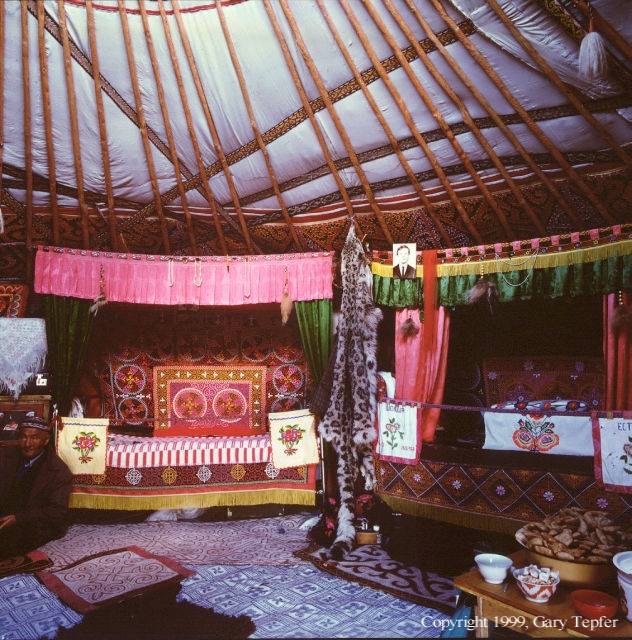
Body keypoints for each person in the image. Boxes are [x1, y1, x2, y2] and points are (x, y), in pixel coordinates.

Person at [0, 416, 73, 559]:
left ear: (45, 441)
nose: (27, 444)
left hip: (32, 523)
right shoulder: (6, 455)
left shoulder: (59, 471)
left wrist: (18, 518)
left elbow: (57, 512)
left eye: (34, 438)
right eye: (23, 437)